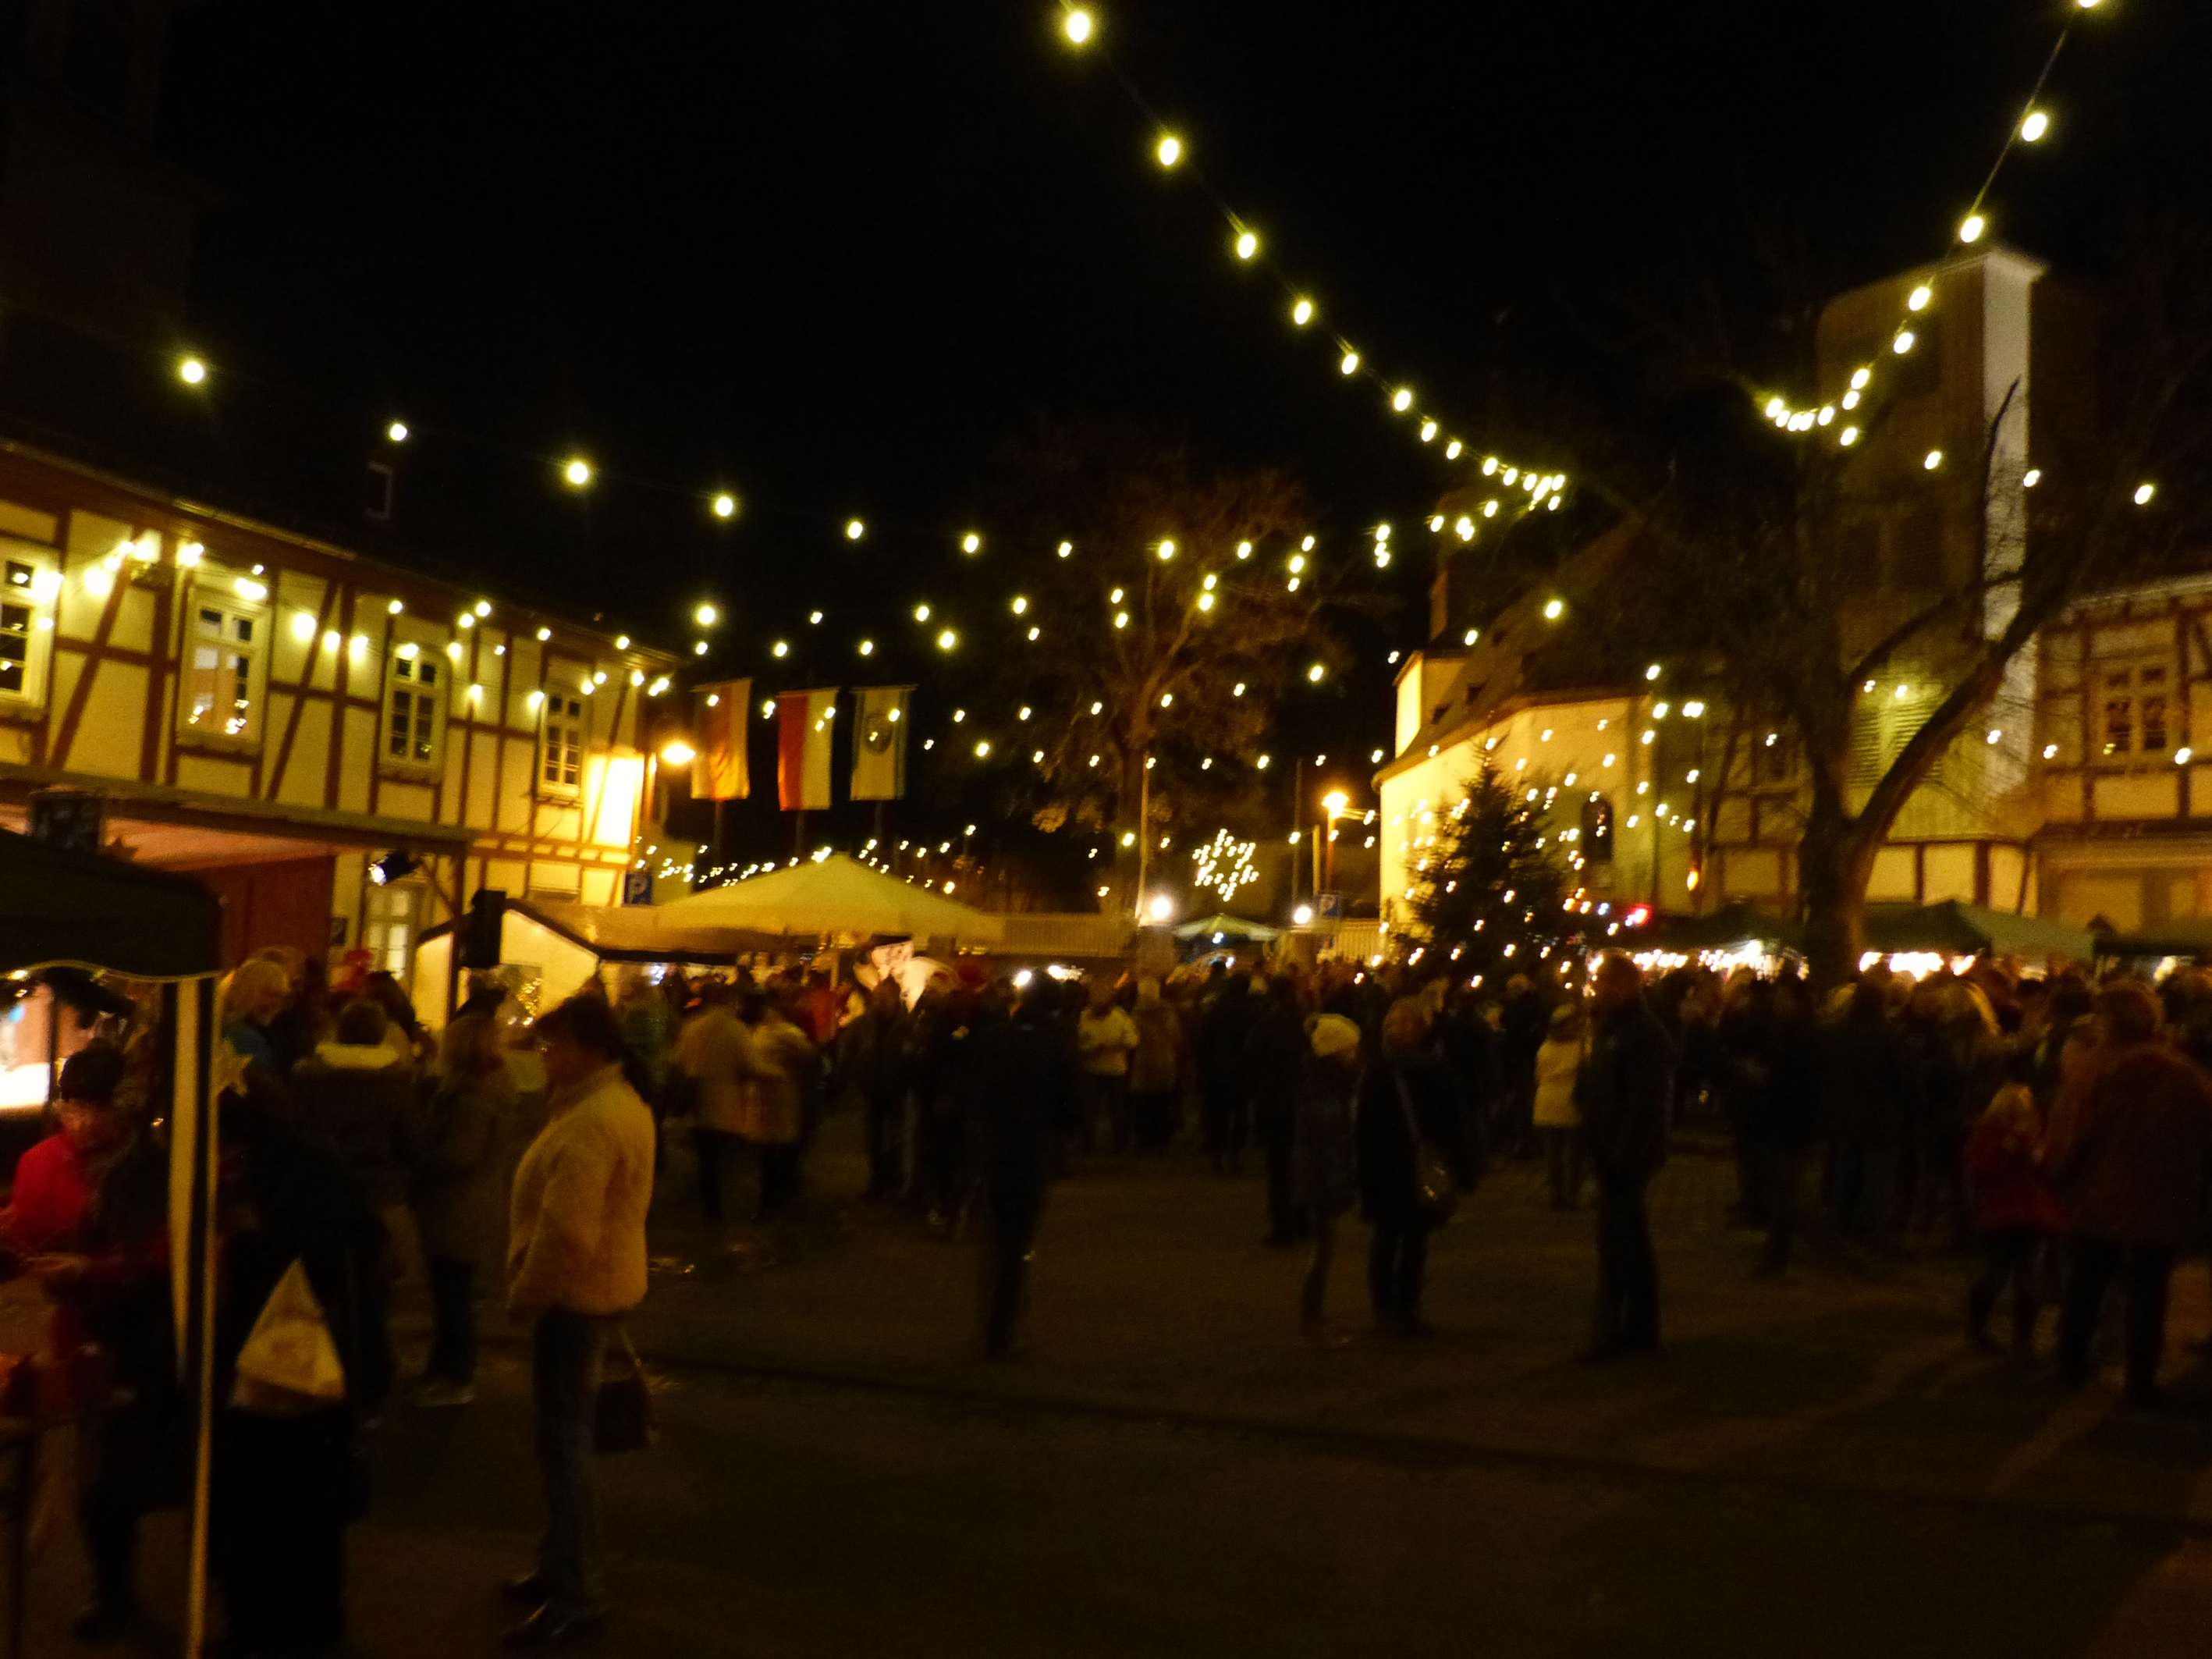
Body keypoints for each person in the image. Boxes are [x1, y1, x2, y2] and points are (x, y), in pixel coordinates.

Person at [2, 1043, 176, 1643]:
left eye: (96, 1108)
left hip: (133, 1327)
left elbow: (160, 1254)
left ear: (120, 1108)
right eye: (73, 1107)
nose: (82, 1121)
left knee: (119, 1471)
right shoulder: (41, 1160)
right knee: (90, 1466)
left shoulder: (144, 1165)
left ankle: (115, 1590)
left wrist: (90, 1268)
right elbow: (25, 1233)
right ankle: (110, 1591)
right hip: (70, 1329)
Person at [210, 1069, 382, 1659]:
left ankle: (296, 1631)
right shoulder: (292, 1167)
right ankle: (263, 1625)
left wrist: (262, 1234)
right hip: (258, 1371)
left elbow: (348, 1252)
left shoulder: (302, 1176)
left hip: (298, 1371)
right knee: (259, 1508)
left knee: (290, 1509)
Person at [504, 995, 657, 1646]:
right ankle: (560, 1567)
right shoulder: (607, 1104)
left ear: (589, 1049)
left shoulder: (594, 1119)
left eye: (554, 1045)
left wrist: (526, 1297)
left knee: (565, 1449)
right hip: (594, 1289)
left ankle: (577, 1593)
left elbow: (567, 1232)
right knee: (566, 1444)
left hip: (573, 1300)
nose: (544, 1055)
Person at [2043, 981, 2212, 1405]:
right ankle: (2141, 1379)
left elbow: (2069, 1137)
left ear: (2109, 1021)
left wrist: (2058, 1180)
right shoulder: (2182, 1074)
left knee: (2086, 1286)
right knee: (2148, 1295)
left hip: (2099, 1198)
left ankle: (2070, 1365)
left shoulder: (2091, 1071)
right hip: (2160, 1200)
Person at [292, 998, 418, 1412]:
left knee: (322, 1292)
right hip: (381, 1198)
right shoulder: (399, 1083)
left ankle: (321, 1377)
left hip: (321, 1199)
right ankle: (371, 1383)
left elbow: (298, 1134)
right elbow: (411, 1143)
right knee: (374, 1297)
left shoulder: (309, 1078)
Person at [960, 976, 1078, 1357]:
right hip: (1031, 1153)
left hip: (992, 1150)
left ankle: (992, 1323)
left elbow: (972, 1089)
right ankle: (1002, 1329)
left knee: (996, 1237)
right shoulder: (1054, 1047)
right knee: (1017, 1244)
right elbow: (1071, 1107)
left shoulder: (994, 1039)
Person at [407, 1011, 516, 1407]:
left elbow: (460, 1154)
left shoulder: (474, 1097)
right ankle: (442, 1368)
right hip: (469, 1205)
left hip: (458, 1208)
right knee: (449, 1294)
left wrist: (418, 1157)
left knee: (453, 1297)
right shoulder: (482, 1088)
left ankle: (455, 1376)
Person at [1354, 997, 1477, 1337]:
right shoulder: (1381, 1070)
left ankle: (1406, 1306)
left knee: (1414, 1240)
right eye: (1394, 1023)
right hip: (1389, 1167)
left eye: (1407, 1023)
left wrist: (1461, 1164)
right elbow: (1365, 1126)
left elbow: (1453, 1122)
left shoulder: (1437, 1069)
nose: (1399, 1030)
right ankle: (1386, 1307)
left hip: (1420, 1166)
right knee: (1389, 1237)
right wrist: (1365, 1171)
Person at [1576, 954, 1675, 1362]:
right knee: (1627, 1239)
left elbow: (1641, 1105)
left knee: (1619, 1243)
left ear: (1623, 984)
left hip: (1625, 1153)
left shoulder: (1641, 1034)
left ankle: (1616, 1329)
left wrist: (1620, 1155)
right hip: (1613, 1147)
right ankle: (1636, 1326)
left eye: (1603, 981)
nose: (1597, 988)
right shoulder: (1615, 1028)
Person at [1962, 1051, 2059, 1360]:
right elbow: (1978, 1169)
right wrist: (2007, 1149)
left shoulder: (2035, 1133)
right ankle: (1977, 1330)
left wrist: (2038, 1156)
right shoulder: (1988, 1134)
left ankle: (2023, 1341)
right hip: (2002, 1215)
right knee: (1995, 1274)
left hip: (2032, 1216)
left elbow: (2049, 1169)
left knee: (2028, 1280)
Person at [673, 982, 776, 1224]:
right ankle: (719, 1207)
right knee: (723, 1158)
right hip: (727, 1107)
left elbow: (678, 1060)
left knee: (706, 1158)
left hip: (698, 1103)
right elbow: (752, 1066)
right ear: (731, 1003)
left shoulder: (692, 1025)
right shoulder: (736, 1030)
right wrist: (778, 1073)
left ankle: (709, 1207)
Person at [1292, 1014, 1363, 1343]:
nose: (1355, 1054)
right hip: (1322, 1176)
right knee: (1322, 1248)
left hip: (1323, 1173)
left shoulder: (1330, 1083)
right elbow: (1327, 1134)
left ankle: (1314, 1314)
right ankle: (1312, 1315)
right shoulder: (1325, 1087)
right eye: (1350, 1048)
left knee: (1324, 1247)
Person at [742, 991, 818, 1221]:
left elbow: (809, 1057)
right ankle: (773, 1200)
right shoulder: (761, 1032)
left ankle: (776, 1199)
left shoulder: (788, 1034)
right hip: (766, 1103)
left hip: (781, 1102)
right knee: (769, 1157)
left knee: (778, 1156)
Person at [1248, 975, 1312, 1245]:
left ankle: (1283, 1227)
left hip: (1274, 1102)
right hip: (1302, 1101)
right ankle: (1304, 1222)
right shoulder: (1305, 1023)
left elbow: (1251, 1058)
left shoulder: (1267, 1025)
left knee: (1279, 1167)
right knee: (1302, 1163)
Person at [1074, 976, 1138, 1161]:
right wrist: (1092, 1049)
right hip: (1092, 1070)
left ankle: (1120, 1145)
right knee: (1089, 1111)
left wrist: (1120, 1044)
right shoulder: (1084, 1017)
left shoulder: (1120, 1016)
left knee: (1118, 1111)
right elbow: (1078, 1043)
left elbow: (1133, 1039)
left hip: (1116, 1070)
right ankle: (1086, 1145)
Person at [1532, 1002, 1585, 1210]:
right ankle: (1571, 1195)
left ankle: (1556, 1195)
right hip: (1571, 1103)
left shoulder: (1545, 1048)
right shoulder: (1581, 1048)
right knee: (1573, 1154)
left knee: (1552, 1154)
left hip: (1546, 1102)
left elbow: (1538, 1076)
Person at [1127, 978, 1182, 1155]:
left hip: (1142, 1064)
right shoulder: (1169, 1013)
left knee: (1143, 1105)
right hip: (1165, 1063)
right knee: (1163, 1104)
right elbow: (1177, 1038)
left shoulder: (1136, 1013)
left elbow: (1131, 1039)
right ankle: (1162, 1142)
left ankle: (1144, 1141)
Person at [218, 957, 292, 1075]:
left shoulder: (250, 1031)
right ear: (249, 991)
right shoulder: (243, 1036)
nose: (277, 1004)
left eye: (282, 997)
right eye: (271, 995)